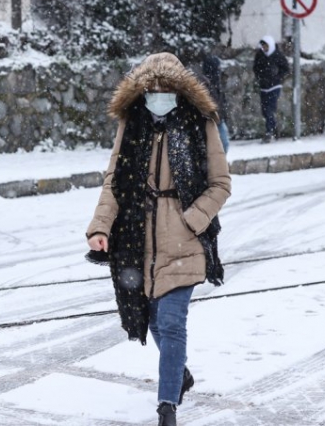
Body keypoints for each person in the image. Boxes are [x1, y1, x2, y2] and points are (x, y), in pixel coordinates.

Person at [86, 52, 231, 426]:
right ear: (143, 90)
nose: (160, 94)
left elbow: (220, 183)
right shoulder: (132, 125)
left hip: (184, 241)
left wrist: (192, 220)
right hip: (137, 241)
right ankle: (178, 372)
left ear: (179, 90)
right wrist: (100, 228)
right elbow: (113, 182)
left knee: (171, 323)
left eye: (167, 88)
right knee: (151, 317)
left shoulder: (200, 123)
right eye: (153, 88)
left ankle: (167, 405)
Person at [253, 35, 289, 143]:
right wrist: (260, 77)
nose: (264, 48)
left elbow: (286, 68)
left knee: (270, 109)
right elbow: (256, 68)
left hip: (275, 86)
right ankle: (274, 128)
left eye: (266, 46)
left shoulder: (277, 55)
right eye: (263, 46)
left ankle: (269, 132)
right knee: (264, 110)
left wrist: (277, 76)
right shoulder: (260, 56)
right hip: (264, 86)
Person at [201, 53, 230, 153]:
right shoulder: (204, 84)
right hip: (210, 120)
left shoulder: (217, 82)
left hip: (219, 119)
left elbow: (222, 101)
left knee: (224, 144)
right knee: (218, 145)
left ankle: (220, 166)